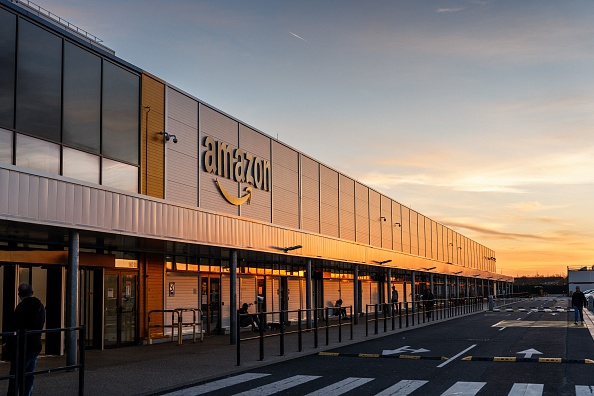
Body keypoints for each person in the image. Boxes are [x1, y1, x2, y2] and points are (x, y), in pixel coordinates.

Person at [7, 283, 46, 396]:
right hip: (36, 345)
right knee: (29, 374)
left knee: (16, 374)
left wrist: (9, 345)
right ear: (32, 292)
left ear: (19, 294)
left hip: (23, 346)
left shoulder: (20, 308)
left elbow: (15, 328)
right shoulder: (40, 306)